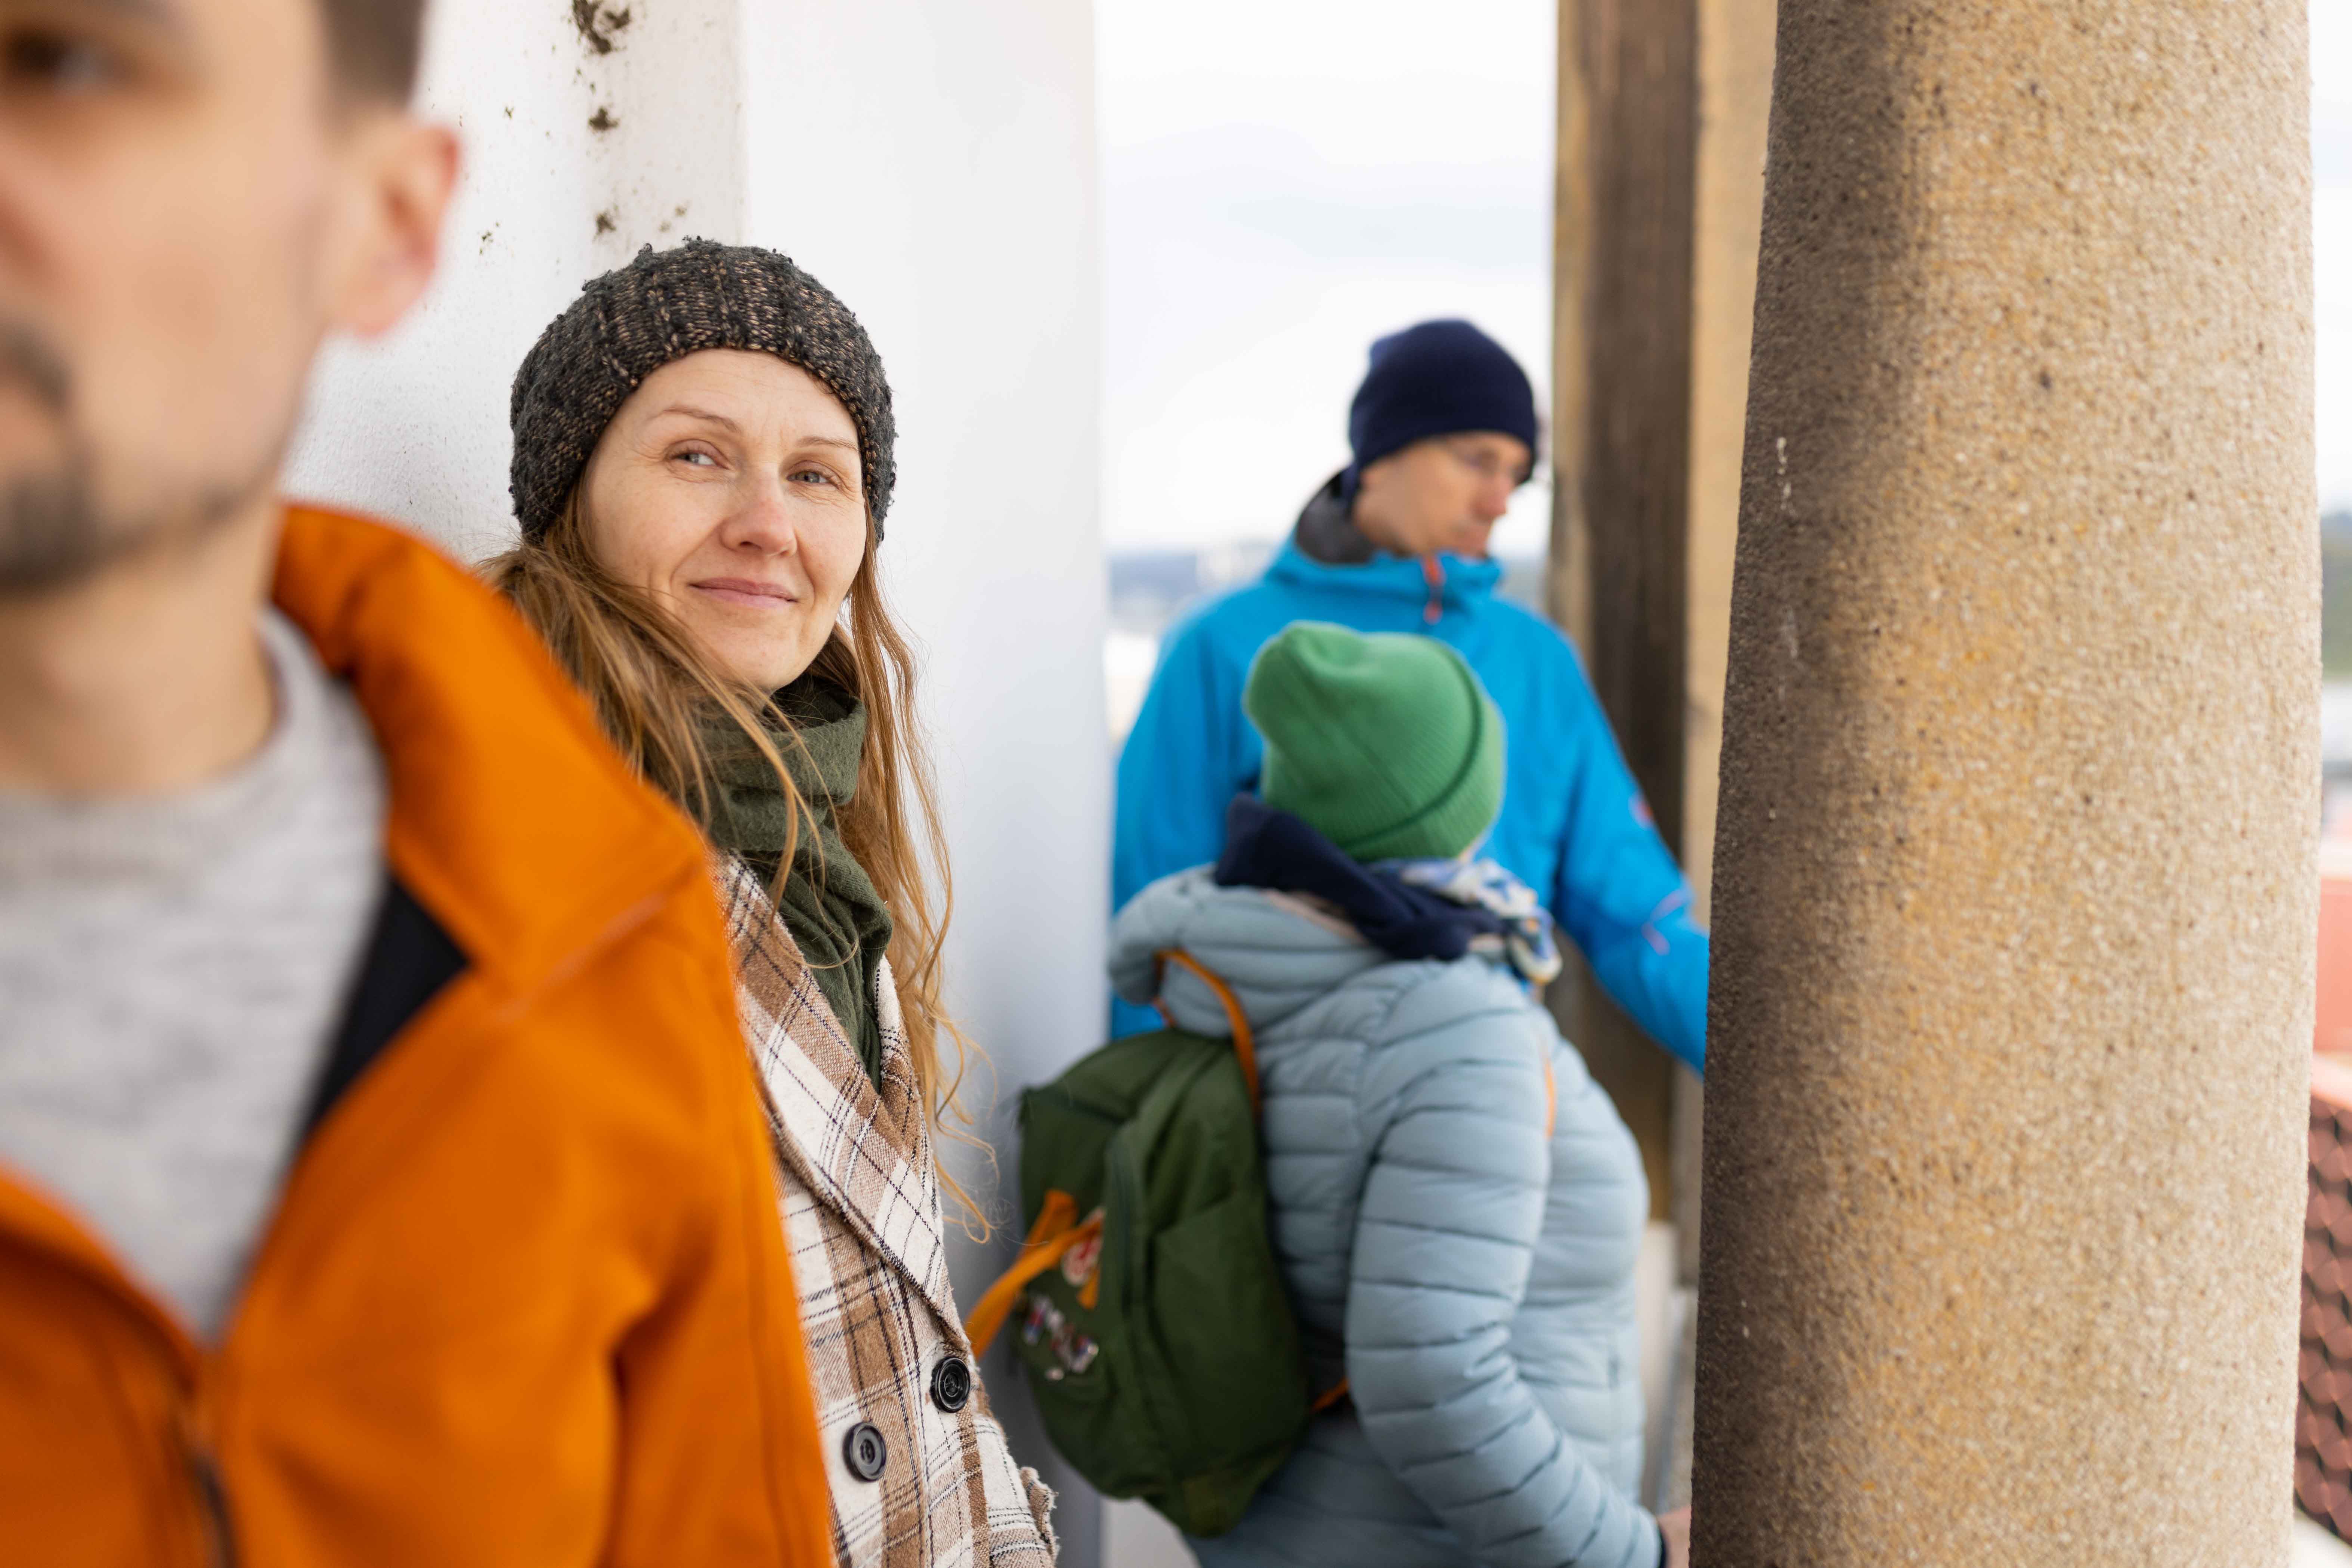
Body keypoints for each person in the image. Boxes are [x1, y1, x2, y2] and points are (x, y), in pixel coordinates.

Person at [0, 4, 835, 1564]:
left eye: (69, 64)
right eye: (695, 455)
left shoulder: (608, 925)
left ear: (382, 224)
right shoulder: (611, 879)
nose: (767, 524)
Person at [490, 238, 1058, 1567]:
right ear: (572, 499)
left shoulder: (822, 852)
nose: (768, 522)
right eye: (697, 455)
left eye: (817, 474)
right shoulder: (506, 860)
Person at [1112, 622, 1692, 1568]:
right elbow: (1431, 1377)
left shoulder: (1233, 980)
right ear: (1451, 808)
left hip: (1282, 1530)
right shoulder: (1455, 1032)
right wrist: (1632, 1553)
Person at [1112, 320, 1708, 1071]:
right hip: (1285, 1101)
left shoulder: (1535, 661)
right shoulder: (1221, 645)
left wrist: (1785, 1062)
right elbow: (1153, 924)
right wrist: (1159, 1129)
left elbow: (1639, 922)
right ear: (1381, 454)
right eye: (1478, 460)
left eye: (1518, 474)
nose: (1499, 500)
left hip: (1485, 1085)